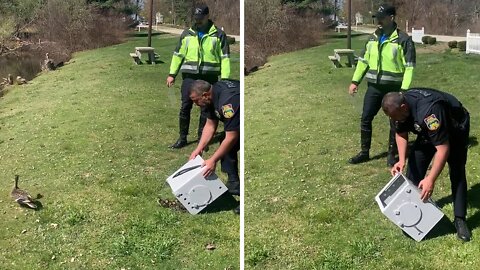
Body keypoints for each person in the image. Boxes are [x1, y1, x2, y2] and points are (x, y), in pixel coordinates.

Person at [382, 88, 471, 242]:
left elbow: (443, 149)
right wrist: (402, 160)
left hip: (454, 126)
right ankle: (412, 213)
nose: (394, 120)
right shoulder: (396, 109)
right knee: (414, 167)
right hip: (426, 130)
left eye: (395, 117)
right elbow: (400, 132)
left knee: (457, 170)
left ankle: (460, 219)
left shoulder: (429, 111)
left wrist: (430, 179)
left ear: (404, 108)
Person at [348, 3, 416, 167]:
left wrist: (404, 91)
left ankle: (392, 156)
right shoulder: (373, 38)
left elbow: (409, 67)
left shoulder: (404, 40)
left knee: (395, 122)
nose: (378, 21)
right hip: (374, 87)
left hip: (394, 89)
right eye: (376, 18)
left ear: (391, 18)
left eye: (381, 18)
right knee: (366, 118)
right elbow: (363, 62)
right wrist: (355, 81)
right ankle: (364, 152)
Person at [167, 4, 231, 149]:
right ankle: (182, 138)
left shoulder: (219, 34)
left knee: (206, 108)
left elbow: (225, 58)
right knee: (185, 106)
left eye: (201, 18)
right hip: (190, 76)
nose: (198, 21)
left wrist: (225, 80)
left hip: (209, 77)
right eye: (196, 18)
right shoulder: (187, 34)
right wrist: (172, 74)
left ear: (207, 16)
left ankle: (202, 138)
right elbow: (178, 55)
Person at [188, 79, 240, 214]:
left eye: (195, 100)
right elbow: (210, 125)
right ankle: (234, 183)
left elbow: (232, 136)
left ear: (205, 95)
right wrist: (198, 149)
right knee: (225, 143)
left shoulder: (227, 102)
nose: (195, 104)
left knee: (230, 142)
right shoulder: (209, 98)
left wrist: (212, 160)